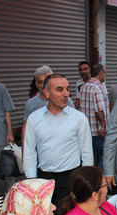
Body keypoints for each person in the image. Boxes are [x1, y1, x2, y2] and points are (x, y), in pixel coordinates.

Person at [23, 74, 93, 207]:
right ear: (47, 93)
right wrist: (31, 182)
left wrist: (85, 181)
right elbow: (29, 152)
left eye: (67, 89)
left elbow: (87, 153)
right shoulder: (34, 118)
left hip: (70, 179)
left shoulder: (79, 118)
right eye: (60, 90)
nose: (66, 94)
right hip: (42, 178)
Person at [21, 65, 75, 144]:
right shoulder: (31, 103)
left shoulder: (66, 100)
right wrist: (24, 153)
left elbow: (74, 123)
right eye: (40, 82)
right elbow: (26, 130)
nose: (43, 85)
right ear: (36, 83)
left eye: (46, 81)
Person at [80, 64, 109, 169]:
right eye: (105, 73)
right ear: (100, 74)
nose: (105, 76)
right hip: (98, 131)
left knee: (91, 157)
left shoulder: (84, 87)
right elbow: (99, 109)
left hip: (87, 130)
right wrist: (103, 126)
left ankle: (92, 178)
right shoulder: (97, 87)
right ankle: (99, 178)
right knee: (104, 154)